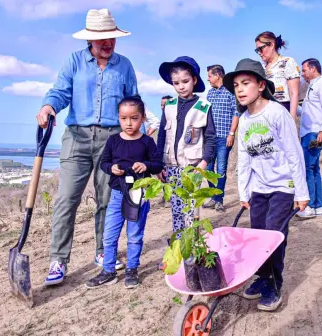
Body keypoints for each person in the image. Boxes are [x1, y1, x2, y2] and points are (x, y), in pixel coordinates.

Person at [39, 9, 139, 286]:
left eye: (112, 39)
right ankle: (58, 259)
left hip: (113, 140)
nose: (108, 44)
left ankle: (102, 252)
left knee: (108, 200)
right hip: (77, 137)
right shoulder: (73, 61)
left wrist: (137, 136)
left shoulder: (125, 65)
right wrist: (49, 106)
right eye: (102, 40)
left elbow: (133, 102)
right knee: (66, 199)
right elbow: (60, 91)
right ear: (89, 41)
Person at [223, 58, 309, 311]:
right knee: (257, 237)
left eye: (245, 83)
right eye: (236, 85)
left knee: (273, 236)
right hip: (259, 189)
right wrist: (244, 191)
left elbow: (294, 153)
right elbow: (245, 160)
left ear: (261, 85)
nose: (239, 89)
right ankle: (262, 278)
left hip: (283, 186)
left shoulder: (276, 113)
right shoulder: (245, 120)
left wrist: (301, 192)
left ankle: (274, 284)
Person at [85, 96, 163, 289]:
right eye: (124, 118)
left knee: (135, 235)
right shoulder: (113, 141)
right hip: (117, 194)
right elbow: (104, 163)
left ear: (143, 118)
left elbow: (157, 165)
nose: (129, 123)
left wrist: (144, 165)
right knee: (109, 235)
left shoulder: (146, 142)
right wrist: (111, 168)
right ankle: (108, 271)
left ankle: (132, 270)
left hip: (139, 194)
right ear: (118, 118)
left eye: (134, 118)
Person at [156, 56, 216, 233]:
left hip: (192, 167)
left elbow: (211, 138)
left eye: (185, 81)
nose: (181, 86)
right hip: (171, 167)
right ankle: (179, 244)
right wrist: (159, 165)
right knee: (175, 208)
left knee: (191, 208)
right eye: (176, 83)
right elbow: (161, 135)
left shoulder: (204, 106)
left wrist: (204, 162)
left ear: (194, 80)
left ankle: (192, 247)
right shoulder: (169, 106)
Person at [297, 58, 322, 218]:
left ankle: (310, 206)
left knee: (307, 168)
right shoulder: (310, 88)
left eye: (304, 70)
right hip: (308, 132)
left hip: (315, 133)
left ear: (313, 69)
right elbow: (306, 112)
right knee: (314, 168)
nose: (302, 74)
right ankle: (317, 205)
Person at [202, 64, 240, 212]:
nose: (208, 79)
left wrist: (231, 134)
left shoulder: (231, 92)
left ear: (218, 75)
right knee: (209, 169)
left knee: (221, 169)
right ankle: (213, 196)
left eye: (210, 76)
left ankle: (219, 200)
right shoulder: (210, 93)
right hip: (210, 138)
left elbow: (236, 113)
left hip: (224, 137)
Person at [254, 31, 300, 119]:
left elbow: (294, 93)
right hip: (263, 111)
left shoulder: (287, 62)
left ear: (271, 45)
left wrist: (292, 119)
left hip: (282, 108)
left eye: (261, 49)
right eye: (257, 50)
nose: (259, 53)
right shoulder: (261, 67)